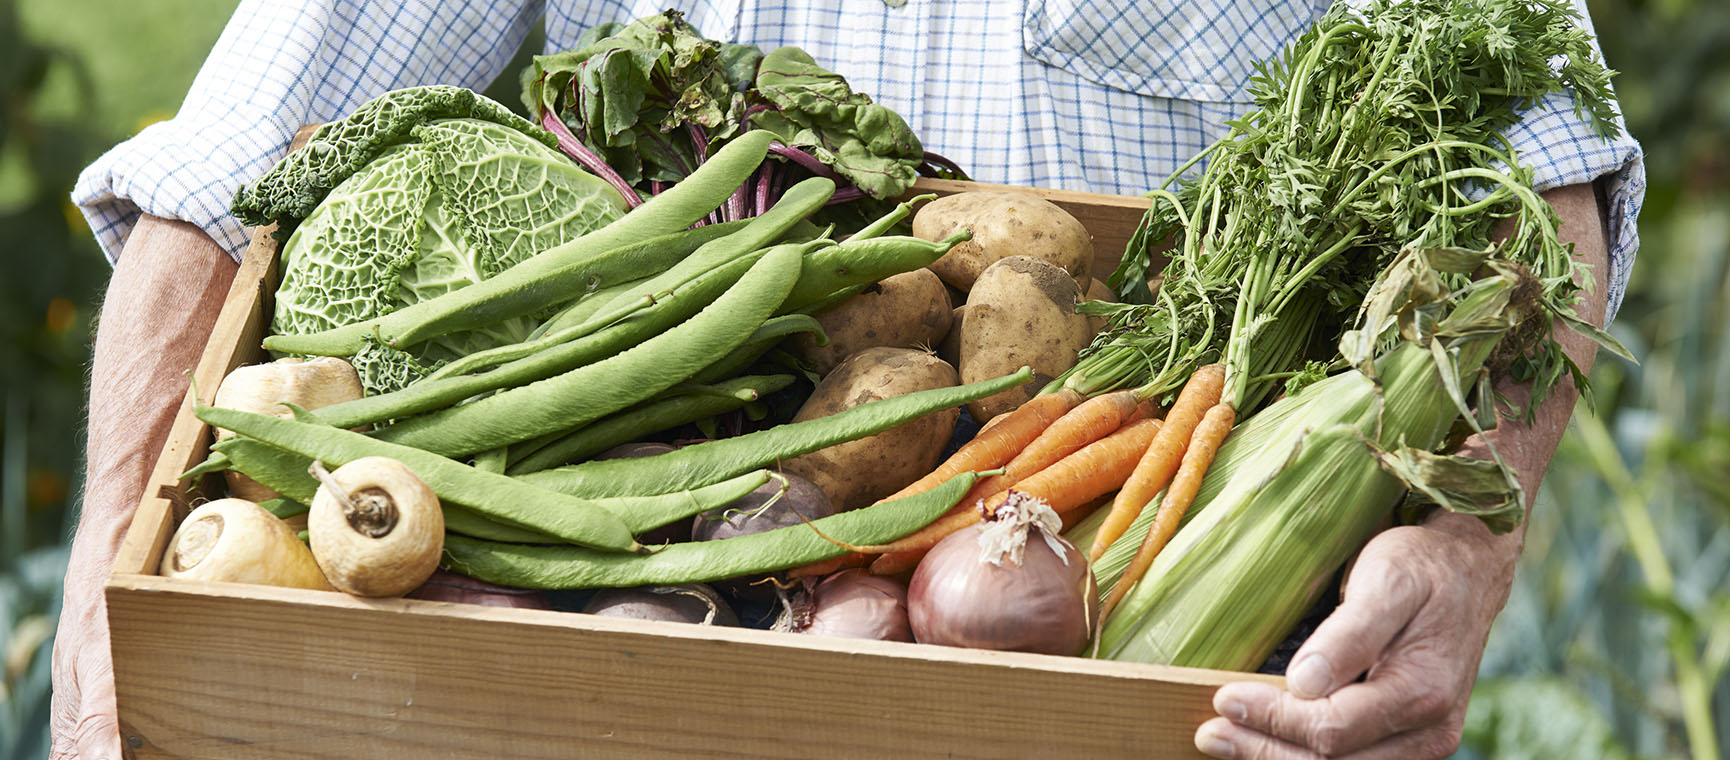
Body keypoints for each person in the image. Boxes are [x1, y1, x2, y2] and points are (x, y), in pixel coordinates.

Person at [55, 1, 1644, 758]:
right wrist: (108, 664)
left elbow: (1533, 187)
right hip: (585, 694)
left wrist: (1458, 546)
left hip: (1175, 698)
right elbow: (223, 185)